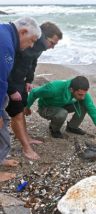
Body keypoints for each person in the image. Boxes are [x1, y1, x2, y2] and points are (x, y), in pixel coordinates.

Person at [6, 22, 63, 160]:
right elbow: (6, 67)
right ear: (42, 36)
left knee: (23, 109)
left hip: (21, 81)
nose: (53, 47)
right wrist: (12, 89)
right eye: (52, 43)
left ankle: (27, 137)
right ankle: (26, 148)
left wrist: (28, 80)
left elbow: (33, 63)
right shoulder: (23, 42)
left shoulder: (39, 47)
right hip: (10, 82)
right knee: (16, 114)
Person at [0, 17, 41, 182]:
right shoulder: (5, 44)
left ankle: (1, 159)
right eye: (31, 40)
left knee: (3, 130)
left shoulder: (4, 34)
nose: (31, 46)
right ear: (23, 32)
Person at [25, 76, 96, 142]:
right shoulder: (53, 88)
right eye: (80, 94)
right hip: (46, 108)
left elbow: (91, 108)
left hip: (62, 105)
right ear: (71, 89)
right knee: (62, 113)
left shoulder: (81, 93)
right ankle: (54, 130)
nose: (82, 97)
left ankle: (72, 127)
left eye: (84, 94)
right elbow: (33, 92)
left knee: (84, 105)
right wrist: (27, 107)